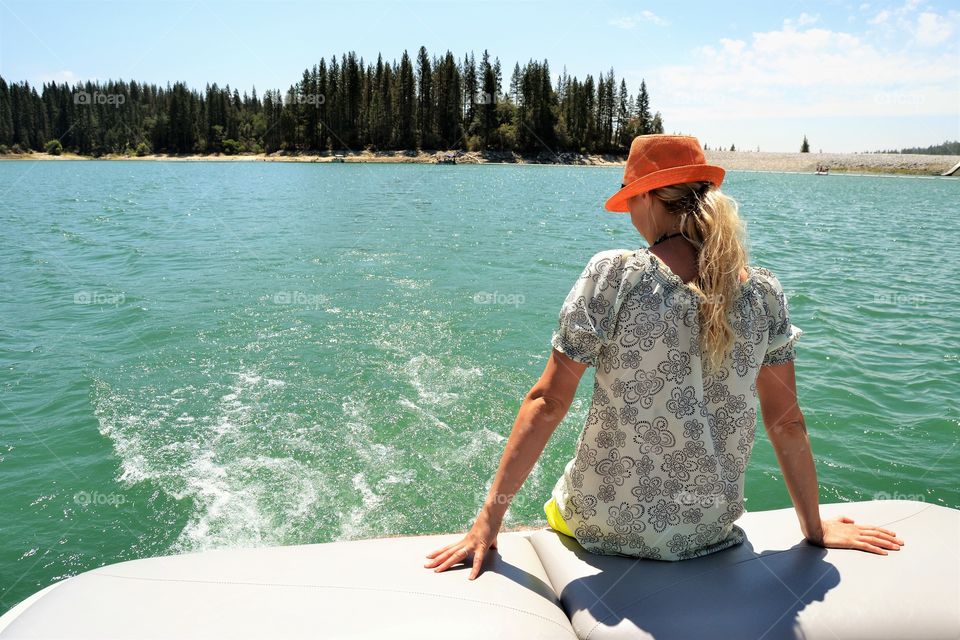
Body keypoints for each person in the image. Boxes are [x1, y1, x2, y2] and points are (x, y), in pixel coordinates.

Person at [424, 134, 904, 579]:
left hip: (600, 528)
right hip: (707, 533)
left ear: (649, 197)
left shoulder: (615, 275)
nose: (629, 214)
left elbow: (547, 401)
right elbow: (787, 423)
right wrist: (814, 529)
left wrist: (487, 520)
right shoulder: (763, 292)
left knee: (562, 500)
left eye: (629, 198)